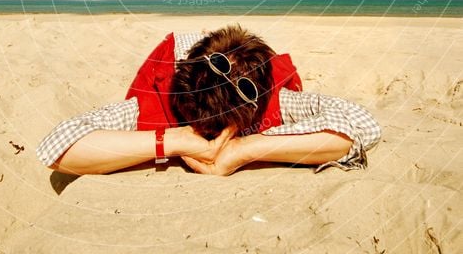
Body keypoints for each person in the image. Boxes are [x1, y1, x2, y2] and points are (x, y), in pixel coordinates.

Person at [37, 24, 381, 177]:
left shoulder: (272, 96)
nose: (203, 133)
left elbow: (360, 124)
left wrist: (244, 149)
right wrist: (175, 139)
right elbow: (59, 148)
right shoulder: (165, 94)